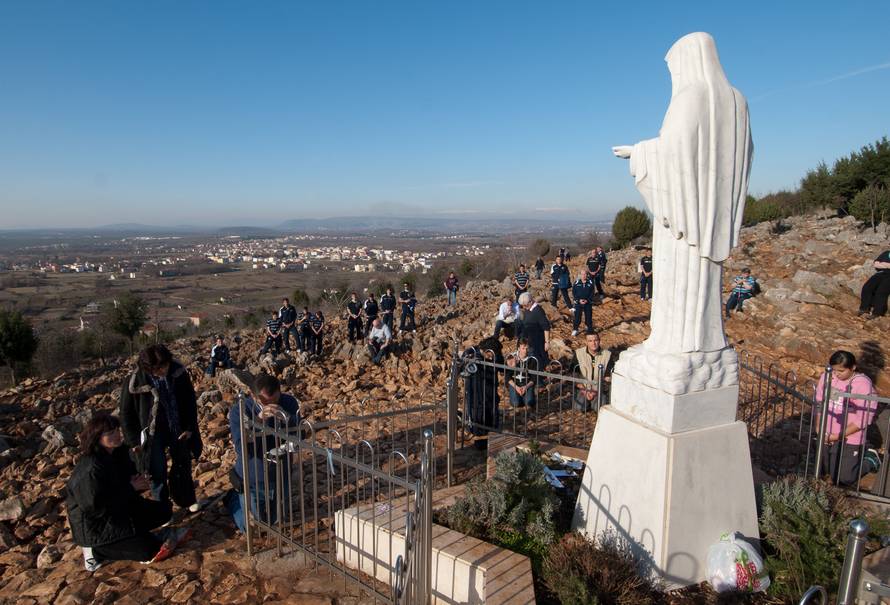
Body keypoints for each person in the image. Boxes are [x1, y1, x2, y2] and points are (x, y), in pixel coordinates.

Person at [66, 412, 188, 570]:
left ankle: (135, 537)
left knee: (164, 511)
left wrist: (138, 483)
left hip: (118, 510)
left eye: (117, 430)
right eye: (110, 433)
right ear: (97, 438)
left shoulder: (118, 453)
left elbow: (125, 483)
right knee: (149, 551)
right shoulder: (91, 469)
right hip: (96, 527)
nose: (116, 435)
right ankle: (96, 551)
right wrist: (131, 488)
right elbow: (96, 507)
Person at [119, 344, 202, 510]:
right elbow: (126, 414)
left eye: (164, 366)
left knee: (182, 464)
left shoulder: (178, 372)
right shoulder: (135, 381)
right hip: (151, 433)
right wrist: (134, 441)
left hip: (177, 427)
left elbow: (189, 402)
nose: (162, 371)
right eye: (157, 369)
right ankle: (163, 509)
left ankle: (186, 500)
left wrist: (189, 427)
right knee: (157, 471)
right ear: (148, 369)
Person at [226, 373, 300, 534]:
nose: (271, 405)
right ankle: (234, 502)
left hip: (280, 471)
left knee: (278, 522)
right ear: (253, 396)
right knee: (253, 528)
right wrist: (258, 421)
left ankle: (242, 500)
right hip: (254, 474)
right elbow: (241, 447)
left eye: (275, 400)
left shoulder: (288, 402)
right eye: (265, 402)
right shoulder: (240, 410)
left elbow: (299, 434)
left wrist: (287, 419)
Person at [815, 350, 878, 485]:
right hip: (828, 433)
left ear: (853, 367)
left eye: (841, 371)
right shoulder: (827, 377)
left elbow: (863, 418)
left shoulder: (862, 384)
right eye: (834, 369)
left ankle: (870, 459)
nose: (836, 374)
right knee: (825, 471)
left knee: (845, 478)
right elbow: (820, 403)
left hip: (850, 436)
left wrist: (837, 436)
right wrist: (818, 426)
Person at [463, 336, 503, 448]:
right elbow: (461, 366)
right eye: (490, 355)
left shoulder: (495, 355)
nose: (491, 358)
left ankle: (493, 440)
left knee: (493, 417)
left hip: (491, 393)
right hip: (477, 394)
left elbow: (502, 366)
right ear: (486, 351)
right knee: (479, 419)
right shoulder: (471, 353)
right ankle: (480, 441)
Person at [573, 332, 613, 411]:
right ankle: (588, 402)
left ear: (599, 341)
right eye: (590, 341)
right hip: (584, 389)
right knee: (579, 407)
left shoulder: (607, 355)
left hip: (599, 389)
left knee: (599, 408)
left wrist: (595, 391)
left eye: (596, 340)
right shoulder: (578, 353)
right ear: (586, 342)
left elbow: (608, 377)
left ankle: (594, 402)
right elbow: (573, 374)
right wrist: (584, 390)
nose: (593, 343)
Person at [519, 292, 551, 368]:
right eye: (523, 305)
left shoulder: (538, 311)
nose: (524, 307)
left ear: (531, 302)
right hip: (529, 339)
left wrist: (547, 342)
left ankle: (542, 375)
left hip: (538, 340)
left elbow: (546, 326)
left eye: (525, 305)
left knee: (539, 358)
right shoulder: (528, 309)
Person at [506, 338, 538, 408]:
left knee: (529, 402)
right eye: (523, 348)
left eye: (527, 348)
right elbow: (507, 376)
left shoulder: (532, 360)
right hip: (515, 384)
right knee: (515, 403)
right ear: (518, 348)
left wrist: (525, 387)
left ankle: (527, 397)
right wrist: (516, 387)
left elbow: (534, 378)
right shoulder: (511, 357)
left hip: (527, 384)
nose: (525, 351)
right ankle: (518, 397)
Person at [858, 250, 890, 318]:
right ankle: (864, 308)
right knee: (867, 287)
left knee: (881, 292)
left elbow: (879, 264)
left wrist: (883, 264)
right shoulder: (886, 253)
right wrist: (887, 265)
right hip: (880, 273)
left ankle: (877, 313)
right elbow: (876, 264)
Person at [571, 270, 595, 336]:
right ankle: (575, 329)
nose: (583, 276)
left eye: (585, 274)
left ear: (587, 275)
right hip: (578, 303)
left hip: (588, 303)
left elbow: (592, 293)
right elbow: (574, 292)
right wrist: (578, 300)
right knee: (577, 317)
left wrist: (588, 300)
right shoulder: (576, 282)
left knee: (588, 317)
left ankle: (589, 329)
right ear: (580, 275)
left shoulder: (590, 282)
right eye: (582, 274)